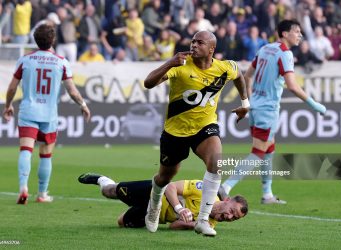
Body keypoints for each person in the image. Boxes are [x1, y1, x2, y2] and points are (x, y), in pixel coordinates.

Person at [143, 30, 250, 236]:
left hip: (204, 127)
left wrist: (245, 103)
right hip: (176, 132)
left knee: (216, 162)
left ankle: (203, 220)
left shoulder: (224, 67)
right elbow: (148, 83)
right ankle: (154, 207)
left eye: (199, 43)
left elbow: (239, 75)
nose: (193, 45)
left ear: (211, 49)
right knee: (165, 177)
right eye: (192, 41)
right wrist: (169, 63)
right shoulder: (180, 66)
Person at [219, 20, 326, 203]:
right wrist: (315, 104)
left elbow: (247, 76)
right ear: (285, 33)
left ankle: (267, 194)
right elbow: (292, 86)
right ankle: (226, 186)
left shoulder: (265, 48)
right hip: (267, 110)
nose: (300, 35)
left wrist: (250, 99)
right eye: (296, 31)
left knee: (269, 149)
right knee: (258, 152)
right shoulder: (285, 54)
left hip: (256, 107)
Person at [2, 24, 91, 205]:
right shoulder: (61, 62)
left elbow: (12, 87)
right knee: (46, 154)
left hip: (28, 112)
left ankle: (23, 187)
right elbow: (72, 91)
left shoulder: (25, 60)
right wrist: (83, 104)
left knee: (26, 150)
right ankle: (42, 194)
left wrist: (8, 105)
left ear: (35, 40)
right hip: (49, 115)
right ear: (53, 40)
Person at [78, 173, 248, 230]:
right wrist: (180, 208)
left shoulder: (209, 225)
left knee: (121, 222)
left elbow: (173, 227)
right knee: (110, 192)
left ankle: (134, 209)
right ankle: (101, 179)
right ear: (226, 200)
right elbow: (170, 187)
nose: (229, 217)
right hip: (152, 193)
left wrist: (193, 224)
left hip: (155, 215)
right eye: (232, 211)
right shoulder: (204, 189)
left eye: (234, 218)